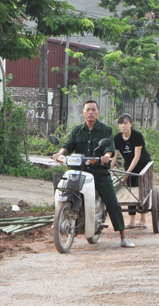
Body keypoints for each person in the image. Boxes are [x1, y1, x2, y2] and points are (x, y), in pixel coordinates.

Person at [53, 100, 134, 248]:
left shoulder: (105, 130)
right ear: (83, 112)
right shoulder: (77, 130)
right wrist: (60, 153)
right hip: (79, 171)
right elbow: (67, 146)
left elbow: (109, 148)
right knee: (63, 189)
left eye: (93, 110)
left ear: (98, 112)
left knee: (111, 201)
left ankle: (123, 236)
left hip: (99, 172)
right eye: (87, 110)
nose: (90, 112)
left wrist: (107, 156)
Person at [114, 114, 152, 229]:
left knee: (142, 191)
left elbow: (137, 156)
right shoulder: (117, 138)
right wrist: (109, 168)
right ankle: (131, 221)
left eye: (125, 123)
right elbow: (114, 157)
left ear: (131, 124)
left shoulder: (137, 136)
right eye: (120, 124)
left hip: (142, 165)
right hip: (128, 165)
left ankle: (143, 219)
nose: (123, 126)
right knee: (130, 191)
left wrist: (127, 172)